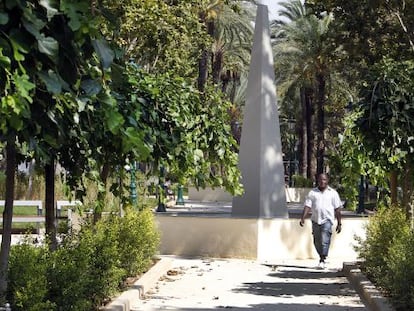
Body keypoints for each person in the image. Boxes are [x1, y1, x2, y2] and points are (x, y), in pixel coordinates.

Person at [299, 173, 342, 269]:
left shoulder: (333, 193)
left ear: (327, 180)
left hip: (327, 220)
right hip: (315, 220)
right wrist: (303, 218)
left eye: (324, 180)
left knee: (324, 239)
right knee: (317, 241)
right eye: (320, 180)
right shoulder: (312, 193)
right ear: (317, 181)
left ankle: (323, 259)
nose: (322, 182)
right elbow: (307, 206)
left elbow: (338, 209)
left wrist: (339, 223)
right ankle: (321, 256)